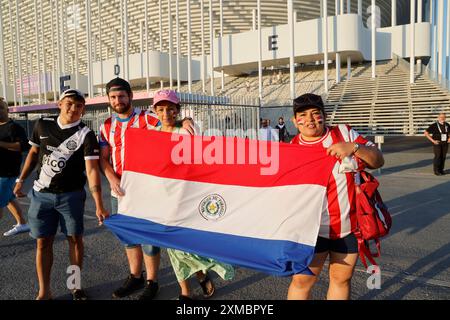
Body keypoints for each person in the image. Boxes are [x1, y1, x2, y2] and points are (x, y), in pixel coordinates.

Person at [98, 78, 193, 300]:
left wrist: (186, 120)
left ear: (130, 96)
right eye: (113, 97)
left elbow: (170, 121)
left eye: (122, 96)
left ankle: (152, 281)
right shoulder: (106, 126)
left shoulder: (149, 119)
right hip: (119, 190)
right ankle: (135, 276)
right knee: (129, 236)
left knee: (149, 237)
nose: (118, 100)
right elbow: (103, 159)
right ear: (109, 100)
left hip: (147, 189)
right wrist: (111, 177)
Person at [13, 89, 109, 300]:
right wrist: (20, 180)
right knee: (42, 243)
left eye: (79, 106)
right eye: (70, 103)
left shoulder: (86, 134)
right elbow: (33, 153)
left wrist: (99, 204)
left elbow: (92, 170)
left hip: (71, 196)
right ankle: (44, 291)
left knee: (75, 240)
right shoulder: (42, 124)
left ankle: (75, 286)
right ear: (59, 103)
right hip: (41, 195)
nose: (74, 108)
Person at [287, 93, 384, 300]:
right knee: (301, 281)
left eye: (316, 113)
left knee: (341, 279)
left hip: (348, 227)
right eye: (303, 115)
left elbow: (378, 160)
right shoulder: (291, 149)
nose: (310, 120)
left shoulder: (343, 133)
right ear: (295, 121)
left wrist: (354, 148)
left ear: (324, 115)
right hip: (310, 232)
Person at [152, 89, 235, 300]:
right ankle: (185, 291)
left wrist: (188, 122)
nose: (165, 113)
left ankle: (201, 272)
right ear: (154, 111)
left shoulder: (186, 130)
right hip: (162, 197)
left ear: (177, 110)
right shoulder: (150, 134)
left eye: (170, 109)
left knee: (189, 244)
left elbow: (199, 160)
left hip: (187, 195)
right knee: (172, 247)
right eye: (160, 109)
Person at [0, 98, 30, 236]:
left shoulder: (15, 127)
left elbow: (23, 146)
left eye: (1, 107)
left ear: (7, 110)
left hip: (7, 171)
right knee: (9, 198)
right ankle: (22, 223)